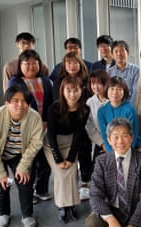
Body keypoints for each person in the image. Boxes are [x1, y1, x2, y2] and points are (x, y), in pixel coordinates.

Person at [0, 84, 43, 227]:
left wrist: (23, 167)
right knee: (2, 184)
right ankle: (3, 213)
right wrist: (0, 173)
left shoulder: (34, 117)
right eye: (15, 100)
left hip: (19, 153)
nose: (20, 105)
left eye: (24, 101)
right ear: (7, 103)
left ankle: (27, 215)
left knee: (25, 181)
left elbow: (35, 144)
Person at [8, 49, 54, 204]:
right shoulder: (15, 82)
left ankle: (41, 189)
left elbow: (50, 103)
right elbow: (16, 106)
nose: (31, 66)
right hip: (26, 128)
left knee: (46, 161)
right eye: (27, 63)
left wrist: (47, 120)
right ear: (20, 65)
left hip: (45, 126)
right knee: (30, 161)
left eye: (35, 63)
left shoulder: (46, 80)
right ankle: (30, 190)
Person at [44, 76, 90, 224]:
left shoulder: (84, 109)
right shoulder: (53, 108)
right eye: (68, 90)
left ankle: (71, 204)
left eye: (75, 90)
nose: (72, 94)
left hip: (71, 142)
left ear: (81, 90)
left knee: (70, 170)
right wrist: (58, 158)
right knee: (60, 172)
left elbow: (78, 135)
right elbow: (50, 134)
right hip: (52, 143)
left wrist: (70, 158)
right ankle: (63, 206)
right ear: (62, 91)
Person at [51, 52, 93, 195]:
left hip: (82, 118)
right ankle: (71, 184)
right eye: (69, 63)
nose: (72, 66)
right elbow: (60, 103)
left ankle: (85, 183)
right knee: (69, 159)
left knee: (85, 151)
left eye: (75, 63)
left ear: (80, 64)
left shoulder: (86, 80)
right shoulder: (59, 82)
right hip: (65, 121)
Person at [97, 76, 141, 152]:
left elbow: (133, 134)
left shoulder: (130, 109)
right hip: (112, 150)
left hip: (133, 148)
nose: (115, 92)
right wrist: (112, 154)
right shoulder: (102, 111)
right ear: (106, 90)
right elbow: (105, 135)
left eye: (119, 89)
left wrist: (126, 153)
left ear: (124, 92)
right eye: (112, 89)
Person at [83, 69, 110, 200]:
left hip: (115, 142)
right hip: (100, 143)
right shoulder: (89, 102)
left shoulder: (112, 99)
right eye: (93, 83)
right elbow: (89, 126)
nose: (96, 86)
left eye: (99, 83)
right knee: (98, 171)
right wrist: (101, 142)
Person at [107, 40, 140, 105]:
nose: (119, 53)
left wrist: (129, 108)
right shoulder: (109, 72)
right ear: (112, 55)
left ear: (127, 53)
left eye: (122, 51)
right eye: (116, 51)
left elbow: (136, 92)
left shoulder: (136, 70)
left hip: (130, 106)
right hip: (114, 106)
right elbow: (108, 92)